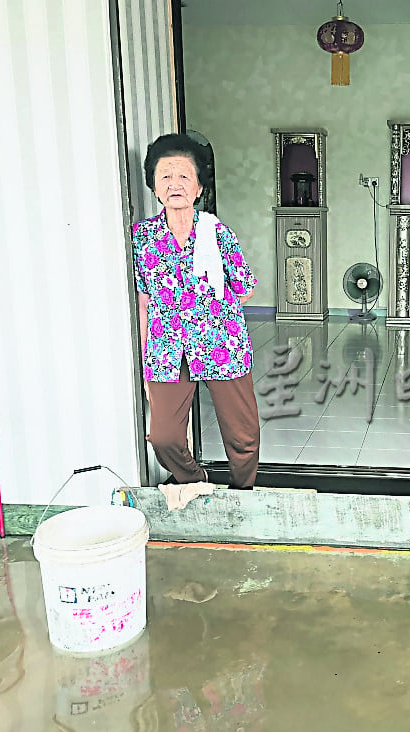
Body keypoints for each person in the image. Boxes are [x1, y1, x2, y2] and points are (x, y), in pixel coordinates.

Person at [133, 133, 260, 489]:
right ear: (155, 188)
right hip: (167, 349)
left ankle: (242, 493)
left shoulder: (216, 233)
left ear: (199, 187)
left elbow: (246, 288)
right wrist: (146, 361)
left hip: (221, 343)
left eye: (184, 176)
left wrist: (212, 307)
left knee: (242, 436)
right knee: (163, 436)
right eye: (166, 177)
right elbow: (144, 301)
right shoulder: (141, 238)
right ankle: (194, 480)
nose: (175, 184)